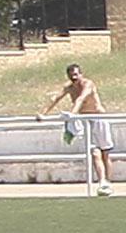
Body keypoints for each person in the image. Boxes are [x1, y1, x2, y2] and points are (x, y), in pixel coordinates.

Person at [39, 62, 114, 193]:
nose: (74, 77)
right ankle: (102, 182)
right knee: (94, 152)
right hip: (84, 120)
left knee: (105, 153)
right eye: (71, 75)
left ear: (81, 74)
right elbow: (55, 98)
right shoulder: (69, 87)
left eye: (76, 74)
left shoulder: (88, 84)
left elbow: (81, 99)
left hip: (98, 118)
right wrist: (42, 114)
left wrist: (72, 114)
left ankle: (107, 181)